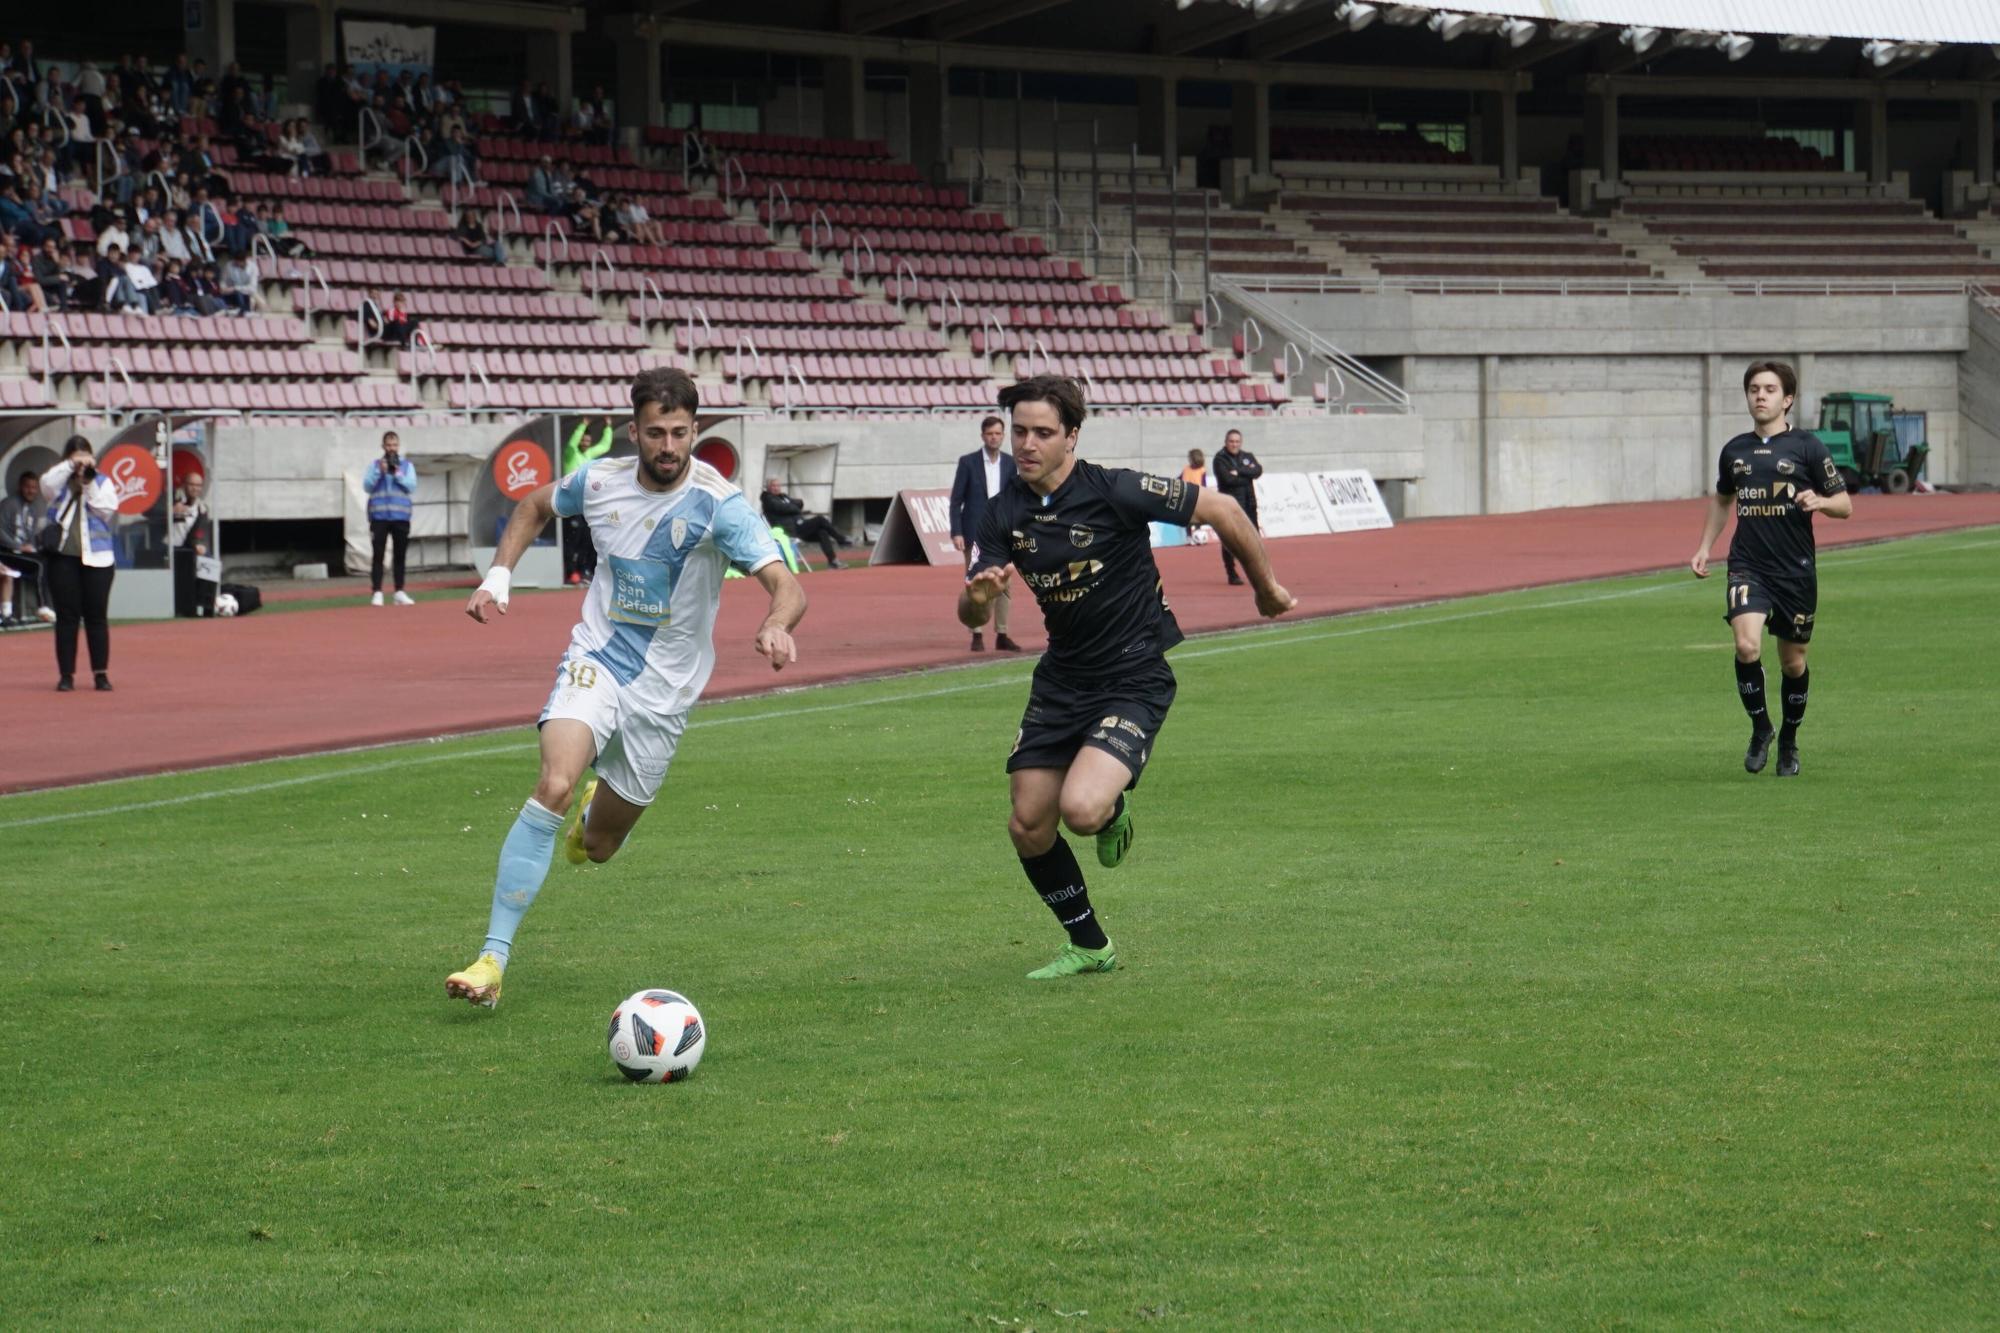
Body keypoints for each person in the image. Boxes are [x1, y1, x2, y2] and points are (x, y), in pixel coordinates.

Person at [445, 367, 807, 1009]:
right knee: (552, 784)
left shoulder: (719, 505)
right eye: (655, 433)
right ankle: (491, 960)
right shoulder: (601, 480)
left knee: (601, 846)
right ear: (633, 432)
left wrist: (776, 625)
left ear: (695, 431)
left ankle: (593, 812)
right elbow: (532, 505)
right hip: (599, 660)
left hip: (664, 696)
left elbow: (787, 584)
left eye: (679, 433)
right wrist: (498, 575)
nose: (668, 447)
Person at [959, 376, 1295, 979]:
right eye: (1020, 432)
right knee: (1028, 823)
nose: (1027, 444)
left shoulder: (1115, 490)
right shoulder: (1000, 513)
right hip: (1062, 680)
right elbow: (970, 610)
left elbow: (1222, 508)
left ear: (1072, 438)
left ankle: (1114, 814)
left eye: (1043, 432)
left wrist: (1266, 588)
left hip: (1133, 674)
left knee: (1082, 811)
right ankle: (1089, 944)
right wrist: (980, 600)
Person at [1690, 360, 1852, 777]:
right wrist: (1705, 547)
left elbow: (1845, 505)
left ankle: (1790, 741)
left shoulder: (1808, 448)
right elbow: (1723, 500)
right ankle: (1761, 729)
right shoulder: (1735, 451)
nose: (1760, 396)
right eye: (1754, 389)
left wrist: (1820, 501)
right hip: (1748, 565)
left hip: (1795, 571)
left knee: (1792, 663)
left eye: (1769, 389)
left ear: (1788, 399)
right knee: (1746, 646)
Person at [42, 436, 120, 691]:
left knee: (97, 617)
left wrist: (88, 483)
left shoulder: (102, 482)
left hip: (98, 559)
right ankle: (66, 675)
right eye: (76, 457)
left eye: (85, 456)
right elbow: (45, 485)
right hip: (63, 557)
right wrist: (69, 467)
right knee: (67, 617)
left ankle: (101, 673)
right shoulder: (58, 481)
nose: (81, 463)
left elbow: (105, 509)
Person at [949, 414, 1021, 652]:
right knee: (975, 581)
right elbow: (956, 500)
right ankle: (976, 633)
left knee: (1005, 583)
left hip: (1002, 532)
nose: (994, 438)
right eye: (990, 434)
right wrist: (956, 531)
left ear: (1003, 435)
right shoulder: (968, 462)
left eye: (998, 433)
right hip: (975, 531)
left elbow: (1015, 499)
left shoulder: (1011, 463)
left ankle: (1002, 632)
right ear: (983, 436)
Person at [363, 431, 417, 606]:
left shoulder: (407, 466)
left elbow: (411, 486)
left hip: (400, 517)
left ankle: (399, 591)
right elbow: (367, 486)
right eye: (389, 445)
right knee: (378, 555)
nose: (392, 448)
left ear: (398, 446)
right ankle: (377, 591)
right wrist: (380, 472)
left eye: (394, 445)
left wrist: (397, 474)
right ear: (383, 446)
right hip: (379, 517)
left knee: (400, 555)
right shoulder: (375, 465)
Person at [560, 414, 615, 585]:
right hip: (570, 504)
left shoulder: (589, 455)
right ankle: (571, 572)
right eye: (583, 441)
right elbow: (571, 443)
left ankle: (584, 571)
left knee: (587, 539)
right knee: (572, 541)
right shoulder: (571, 453)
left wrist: (608, 426)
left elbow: (605, 445)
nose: (586, 443)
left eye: (588, 441)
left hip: (586, 504)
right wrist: (582, 425)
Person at [1211, 428, 1263, 586]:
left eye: (1237, 441)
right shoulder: (1220, 459)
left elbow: (1258, 470)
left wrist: (1239, 472)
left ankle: (1258, 573)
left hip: (1249, 504)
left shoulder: (1247, 456)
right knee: (1230, 541)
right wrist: (1247, 476)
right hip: (1230, 506)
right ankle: (1231, 573)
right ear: (1226, 442)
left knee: (1254, 541)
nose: (1234, 444)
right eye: (1231, 441)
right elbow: (1227, 480)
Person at [760, 477, 846, 569]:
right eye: (773, 486)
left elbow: (799, 503)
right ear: (768, 487)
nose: (776, 488)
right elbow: (783, 508)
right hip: (789, 531)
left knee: (822, 532)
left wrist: (792, 507)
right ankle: (841, 540)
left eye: (778, 485)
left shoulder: (783, 497)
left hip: (799, 526)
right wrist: (793, 507)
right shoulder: (768, 499)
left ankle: (833, 561)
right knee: (820, 519)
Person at [0, 470, 49, 625]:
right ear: (21, 487)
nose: (31, 491)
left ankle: (50, 609)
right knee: (39, 564)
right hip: (6, 552)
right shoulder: (8, 504)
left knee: (47, 561)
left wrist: (33, 547)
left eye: (34, 488)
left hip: (21, 554)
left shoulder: (33, 510)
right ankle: (42, 607)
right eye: (28, 487)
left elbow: (32, 536)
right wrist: (18, 546)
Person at [1180, 447, 1215, 545]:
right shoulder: (1186, 469)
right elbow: (1179, 478)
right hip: (1186, 496)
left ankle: (1198, 534)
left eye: (1190, 457)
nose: (1189, 459)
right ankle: (1189, 536)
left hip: (1197, 496)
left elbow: (1204, 484)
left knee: (1198, 518)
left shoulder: (1201, 470)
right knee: (1187, 518)